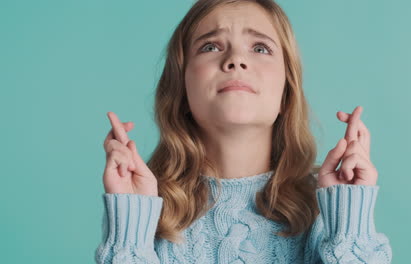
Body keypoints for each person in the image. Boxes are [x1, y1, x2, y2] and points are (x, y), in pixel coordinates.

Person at [94, 0, 393, 263]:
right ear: (181, 88)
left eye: (260, 48)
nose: (236, 60)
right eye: (210, 46)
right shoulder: (148, 208)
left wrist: (349, 220)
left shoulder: (328, 206)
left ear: (286, 92)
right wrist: (130, 224)